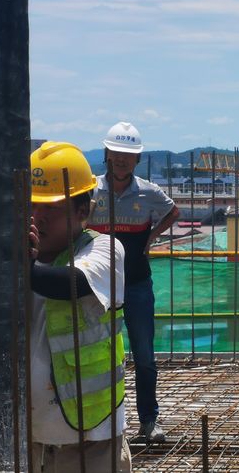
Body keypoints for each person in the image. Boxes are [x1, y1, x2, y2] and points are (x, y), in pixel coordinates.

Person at [0, 142, 131, 472]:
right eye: (32, 205)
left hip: (91, 439)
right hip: (26, 439)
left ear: (82, 211)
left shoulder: (104, 250)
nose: (37, 216)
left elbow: (70, 284)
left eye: (51, 208)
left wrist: (19, 265)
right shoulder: (14, 257)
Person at [88, 122, 179, 443]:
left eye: (128, 154)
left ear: (137, 159)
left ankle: (148, 420)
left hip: (137, 282)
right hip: (99, 285)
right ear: (107, 154)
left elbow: (173, 212)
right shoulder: (91, 189)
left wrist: (151, 237)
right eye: (117, 153)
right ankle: (99, 421)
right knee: (96, 353)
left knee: (144, 356)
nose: (122, 159)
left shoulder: (148, 192)